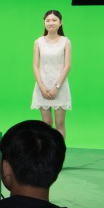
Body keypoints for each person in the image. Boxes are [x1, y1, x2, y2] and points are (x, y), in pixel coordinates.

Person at [31, 9, 71, 137]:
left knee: (60, 124)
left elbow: (67, 66)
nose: (51, 23)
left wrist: (56, 87)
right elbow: (35, 65)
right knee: (46, 124)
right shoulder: (38, 42)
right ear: (44, 23)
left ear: (60, 23)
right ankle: (47, 150)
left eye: (54, 20)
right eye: (48, 20)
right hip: (42, 86)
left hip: (60, 86)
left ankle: (59, 150)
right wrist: (41, 87)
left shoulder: (66, 41)